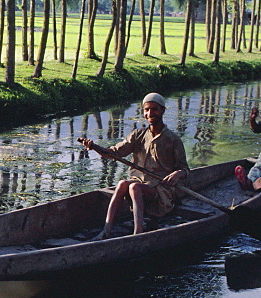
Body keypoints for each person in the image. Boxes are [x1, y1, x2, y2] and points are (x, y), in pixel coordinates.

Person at [79, 92, 189, 239]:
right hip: (140, 185)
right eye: (147, 109)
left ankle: (138, 233)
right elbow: (114, 152)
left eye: (154, 109)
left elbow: (184, 169)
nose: (150, 113)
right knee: (123, 183)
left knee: (134, 187)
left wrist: (177, 174)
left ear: (162, 110)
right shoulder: (138, 135)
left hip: (161, 190)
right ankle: (106, 230)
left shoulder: (173, 139)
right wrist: (95, 147)